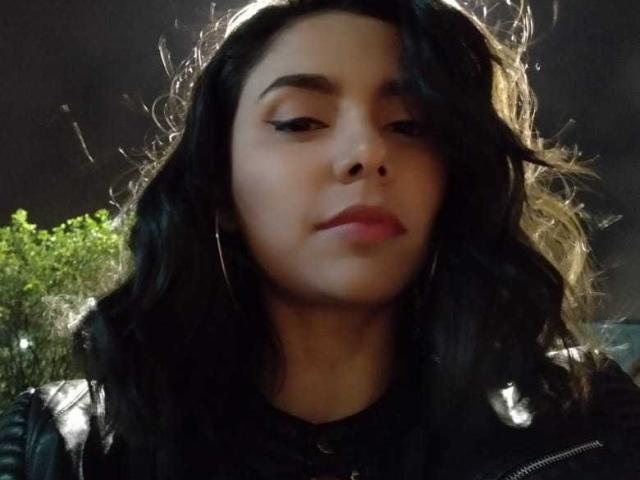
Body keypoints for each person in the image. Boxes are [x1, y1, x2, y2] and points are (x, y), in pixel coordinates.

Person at [1, 0, 639, 478]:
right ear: (219, 187)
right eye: (300, 121)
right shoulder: (61, 448)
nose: (366, 151)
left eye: (409, 125)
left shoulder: (585, 426)